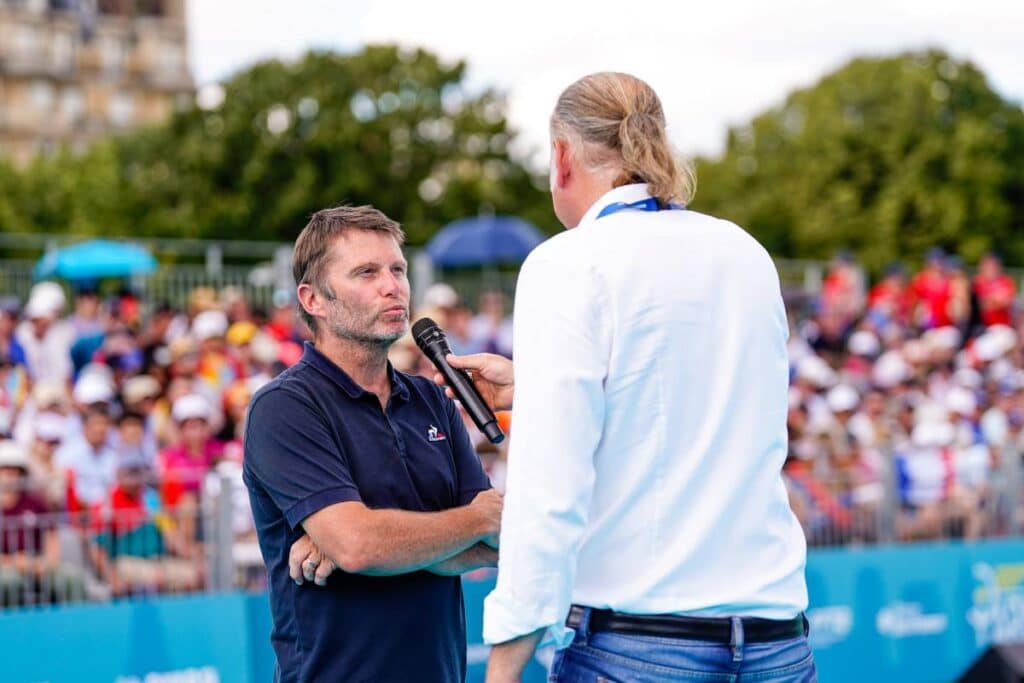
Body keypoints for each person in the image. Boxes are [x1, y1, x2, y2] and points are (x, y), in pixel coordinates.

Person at [439, 72, 814, 682]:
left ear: (561, 157)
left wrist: (505, 662)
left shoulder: (567, 262)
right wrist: (536, 391)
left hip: (640, 644)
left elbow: (549, 488)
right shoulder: (744, 251)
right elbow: (702, 413)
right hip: (776, 640)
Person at [242, 205, 503, 682]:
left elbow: (501, 540)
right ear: (313, 299)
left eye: (398, 269)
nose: (393, 285)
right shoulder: (285, 407)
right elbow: (359, 545)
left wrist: (378, 542)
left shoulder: (431, 399)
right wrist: (473, 520)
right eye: (366, 272)